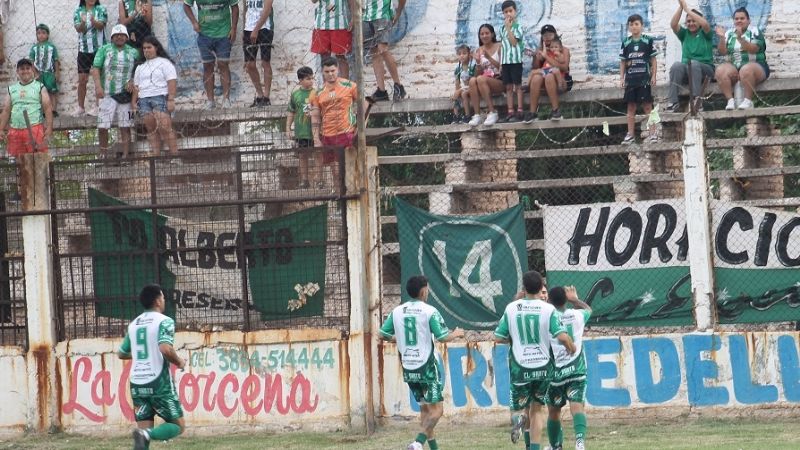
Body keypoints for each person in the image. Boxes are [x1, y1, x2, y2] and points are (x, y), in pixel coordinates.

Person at [379, 275, 464, 450]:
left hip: (409, 368)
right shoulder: (429, 311)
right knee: (437, 411)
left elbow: (382, 334)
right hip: (426, 367)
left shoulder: (397, 311)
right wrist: (457, 333)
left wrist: (398, 338)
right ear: (424, 291)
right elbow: (442, 336)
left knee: (425, 411)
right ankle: (418, 443)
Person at [494, 270, 575, 450]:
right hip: (543, 367)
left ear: (524, 288)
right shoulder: (548, 309)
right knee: (537, 409)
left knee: (518, 408)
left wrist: (514, 338)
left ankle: (519, 420)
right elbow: (562, 336)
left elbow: (498, 337)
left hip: (520, 367)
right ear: (540, 288)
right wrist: (572, 347)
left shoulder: (512, 308)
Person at [117, 284, 186, 450]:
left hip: (137, 384)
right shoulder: (165, 321)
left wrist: (143, 356)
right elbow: (165, 348)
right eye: (162, 297)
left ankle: (145, 434)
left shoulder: (134, 324)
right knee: (178, 425)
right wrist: (179, 362)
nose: (164, 301)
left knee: (143, 436)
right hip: (158, 383)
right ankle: (148, 434)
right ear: (157, 301)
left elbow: (121, 353)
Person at [545, 286, 592, 450]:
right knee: (577, 406)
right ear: (565, 300)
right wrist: (574, 299)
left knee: (554, 411)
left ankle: (555, 446)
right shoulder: (578, 315)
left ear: (549, 301)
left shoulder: (548, 319)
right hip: (576, 371)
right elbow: (588, 309)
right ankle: (580, 442)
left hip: (556, 374)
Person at [310, 56, 364, 186]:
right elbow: (315, 117)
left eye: (333, 70)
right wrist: (316, 138)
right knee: (335, 172)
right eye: (327, 72)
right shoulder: (317, 93)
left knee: (351, 167)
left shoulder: (350, 86)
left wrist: (360, 126)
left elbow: (364, 105)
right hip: (328, 135)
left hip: (347, 132)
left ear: (337, 69)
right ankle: (340, 199)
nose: (330, 74)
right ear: (322, 72)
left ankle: (352, 194)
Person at [91, 24, 140, 159]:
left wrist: (132, 80)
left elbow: (139, 70)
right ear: (112, 37)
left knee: (126, 126)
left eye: (122, 35)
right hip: (107, 94)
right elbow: (95, 68)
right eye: (116, 35)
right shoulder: (103, 50)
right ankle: (103, 155)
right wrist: (98, 87)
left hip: (126, 96)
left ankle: (125, 155)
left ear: (127, 37)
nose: (119, 37)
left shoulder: (134, 52)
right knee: (102, 126)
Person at [183, 0, 238, 109]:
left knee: (223, 64)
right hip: (204, 34)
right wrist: (194, 22)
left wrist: (234, 29)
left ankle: (226, 100)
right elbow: (186, 6)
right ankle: (210, 101)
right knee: (208, 66)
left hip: (224, 33)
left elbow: (235, 7)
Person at [714, 7, 768, 111]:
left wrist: (740, 38)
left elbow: (753, 49)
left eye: (742, 18)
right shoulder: (729, 33)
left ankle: (748, 101)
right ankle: (730, 100)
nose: (739, 21)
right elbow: (722, 51)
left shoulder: (755, 31)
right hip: (736, 67)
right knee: (720, 70)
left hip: (756, 67)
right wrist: (721, 38)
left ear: (748, 21)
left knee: (746, 69)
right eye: (736, 19)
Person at [132, 36, 178, 156]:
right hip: (143, 99)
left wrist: (171, 99)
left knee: (165, 127)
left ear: (156, 48)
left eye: (149, 47)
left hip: (160, 97)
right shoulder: (140, 67)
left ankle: (175, 156)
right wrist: (133, 102)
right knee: (151, 129)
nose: (146, 50)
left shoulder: (164, 63)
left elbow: (171, 81)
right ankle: (156, 156)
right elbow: (136, 86)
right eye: (144, 48)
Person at [0, 58, 54, 162]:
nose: (25, 71)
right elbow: (6, 110)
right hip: (16, 130)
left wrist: (49, 127)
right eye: (22, 69)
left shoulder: (39, 87)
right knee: (21, 164)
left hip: (34, 129)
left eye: (27, 68)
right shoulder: (11, 89)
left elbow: (47, 107)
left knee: (37, 161)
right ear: (17, 72)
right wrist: (1, 128)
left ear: (32, 70)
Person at [667, 0, 713, 112]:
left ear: (699, 22)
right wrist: (681, 8)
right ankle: (673, 102)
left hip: (706, 71)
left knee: (693, 64)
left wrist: (688, 10)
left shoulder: (706, 32)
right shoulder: (684, 34)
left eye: (694, 21)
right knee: (676, 65)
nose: (691, 23)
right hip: (688, 70)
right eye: (688, 21)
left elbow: (705, 24)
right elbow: (673, 24)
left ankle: (696, 100)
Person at [619, 14, 658, 145]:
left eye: (636, 24)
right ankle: (630, 135)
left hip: (644, 79)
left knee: (648, 106)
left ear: (641, 25)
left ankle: (653, 133)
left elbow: (653, 59)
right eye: (631, 24)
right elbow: (623, 62)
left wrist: (653, 76)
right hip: (631, 80)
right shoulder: (625, 42)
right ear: (628, 27)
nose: (634, 27)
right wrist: (622, 78)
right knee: (631, 107)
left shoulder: (648, 41)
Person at [363, 0, 407, 101]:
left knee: (382, 49)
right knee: (374, 53)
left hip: (383, 15)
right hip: (366, 16)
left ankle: (398, 86)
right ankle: (381, 91)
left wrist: (398, 12)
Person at [527, 24, 572, 122]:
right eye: (544, 35)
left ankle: (556, 111)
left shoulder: (563, 50)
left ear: (555, 35)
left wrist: (546, 57)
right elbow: (535, 68)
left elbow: (564, 68)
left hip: (561, 81)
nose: (547, 38)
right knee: (536, 78)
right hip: (544, 83)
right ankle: (532, 113)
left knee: (549, 76)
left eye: (550, 35)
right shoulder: (542, 50)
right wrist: (536, 56)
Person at [74, 0, 108, 116]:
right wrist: (83, 22)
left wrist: (93, 20)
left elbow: (101, 26)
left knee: (98, 78)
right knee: (82, 79)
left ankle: (99, 106)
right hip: (83, 49)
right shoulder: (78, 11)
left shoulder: (101, 9)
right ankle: (80, 107)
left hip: (99, 49)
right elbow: (79, 29)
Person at [286, 66, 318, 188]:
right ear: (300, 81)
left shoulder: (317, 93)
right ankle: (304, 180)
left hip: (315, 131)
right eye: (307, 79)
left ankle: (319, 179)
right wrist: (288, 128)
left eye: (312, 78)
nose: (311, 81)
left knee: (318, 154)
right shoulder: (295, 95)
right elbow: (291, 112)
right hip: (301, 132)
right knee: (302, 155)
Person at [467, 24, 503, 127]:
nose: (484, 36)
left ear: (492, 34)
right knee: (472, 80)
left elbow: (502, 68)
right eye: (482, 34)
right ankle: (477, 115)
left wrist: (489, 58)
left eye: (487, 33)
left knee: (481, 79)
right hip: (483, 83)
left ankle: (492, 112)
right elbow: (478, 74)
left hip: (499, 81)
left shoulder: (499, 46)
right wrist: (478, 62)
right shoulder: (479, 50)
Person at [311, 0, 354, 79]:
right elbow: (313, 1)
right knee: (324, 58)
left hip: (340, 24)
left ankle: (344, 87)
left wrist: (353, 18)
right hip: (322, 25)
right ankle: (327, 87)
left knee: (341, 56)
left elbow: (352, 2)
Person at [243, 0, 274, 107]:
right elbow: (246, 9)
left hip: (265, 28)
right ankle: (260, 96)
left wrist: (256, 30)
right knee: (250, 65)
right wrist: (245, 27)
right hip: (248, 28)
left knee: (265, 62)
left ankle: (266, 97)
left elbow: (267, 10)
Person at [498, 0, 525, 123]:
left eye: (510, 11)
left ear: (515, 12)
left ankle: (520, 110)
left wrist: (509, 28)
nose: (508, 14)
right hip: (505, 62)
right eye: (505, 12)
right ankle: (510, 111)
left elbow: (514, 43)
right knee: (508, 87)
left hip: (515, 61)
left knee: (517, 86)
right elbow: (502, 46)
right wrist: (500, 64)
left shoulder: (518, 27)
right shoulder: (501, 28)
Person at [29, 24, 61, 116]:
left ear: (48, 35)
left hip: (49, 73)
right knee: (42, 93)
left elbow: (56, 60)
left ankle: (53, 110)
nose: (41, 35)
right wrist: (35, 73)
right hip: (39, 74)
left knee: (52, 92)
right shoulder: (34, 48)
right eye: (38, 33)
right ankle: (44, 111)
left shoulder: (52, 47)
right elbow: (31, 61)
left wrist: (57, 73)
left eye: (43, 33)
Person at [451, 44, 476, 124]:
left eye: (464, 53)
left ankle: (467, 115)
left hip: (473, 87)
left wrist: (460, 90)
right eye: (459, 54)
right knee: (456, 95)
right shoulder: (458, 68)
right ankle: (456, 116)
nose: (462, 56)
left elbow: (473, 80)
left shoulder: (472, 66)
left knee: (464, 94)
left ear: (469, 54)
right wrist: (457, 91)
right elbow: (457, 83)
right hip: (465, 87)